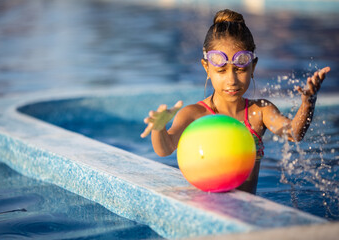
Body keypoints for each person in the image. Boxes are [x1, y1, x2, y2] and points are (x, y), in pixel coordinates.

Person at [140, 9, 330, 194]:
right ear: (206, 68)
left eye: (240, 70)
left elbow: (293, 134)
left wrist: (307, 102)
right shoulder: (194, 115)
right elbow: (165, 149)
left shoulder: (259, 112)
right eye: (221, 71)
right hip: (205, 212)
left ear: (253, 67)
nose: (231, 80)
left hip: (246, 213)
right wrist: (159, 128)